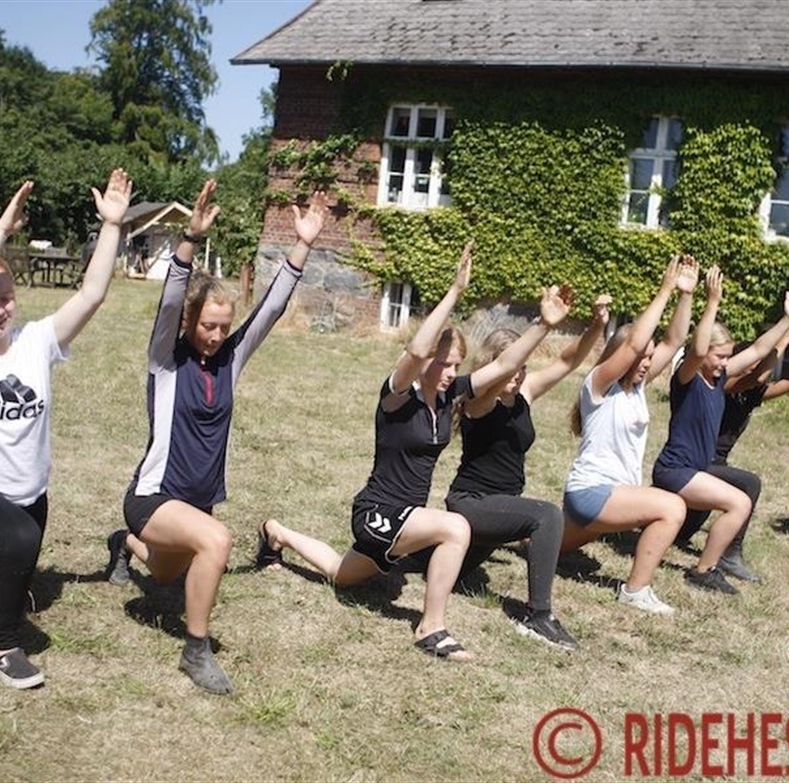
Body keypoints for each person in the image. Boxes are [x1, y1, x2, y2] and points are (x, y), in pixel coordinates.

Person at [257, 242, 571, 661]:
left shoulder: (450, 397)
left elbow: (501, 366)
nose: (451, 373)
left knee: (340, 574)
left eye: (457, 365)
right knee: (456, 527)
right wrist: (454, 293)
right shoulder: (398, 397)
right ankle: (431, 628)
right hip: (377, 512)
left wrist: (543, 325)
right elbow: (417, 350)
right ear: (425, 364)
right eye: (444, 363)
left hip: (406, 518)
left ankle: (276, 532)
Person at [105, 181, 328, 694]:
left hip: (196, 503)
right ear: (190, 322)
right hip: (153, 497)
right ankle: (195, 650)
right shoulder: (166, 358)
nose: (217, 335)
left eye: (224, 327)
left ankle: (123, 544)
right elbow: (169, 302)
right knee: (217, 541)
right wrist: (189, 238)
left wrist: (303, 243)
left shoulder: (231, 359)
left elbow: (269, 310)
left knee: (164, 576)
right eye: (208, 325)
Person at [0, 169, 132, 689]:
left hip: (28, 495)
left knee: (3, 568)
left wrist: (112, 225)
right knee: (18, 547)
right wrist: (3, 229)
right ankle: (5, 647)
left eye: (4, 297)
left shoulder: (38, 341)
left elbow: (92, 294)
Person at [443, 292, 612, 650]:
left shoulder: (525, 392)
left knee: (442, 570)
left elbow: (568, 360)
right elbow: (503, 370)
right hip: (472, 503)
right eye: (514, 366)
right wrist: (542, 325)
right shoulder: (479, 400)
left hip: (500, 508)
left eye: (523, 368)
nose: (519, 374)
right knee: (547, 515)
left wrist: (596, 327)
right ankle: (538, 616)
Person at [652, 269, 789, 595]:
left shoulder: (719, 379)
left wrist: (786, 319)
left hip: (697, 470)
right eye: (720, 356)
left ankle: (706, 563)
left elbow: (758, 352)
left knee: (729, 504)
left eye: (728, 357)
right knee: (738, 502)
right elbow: (698, 351)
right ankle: (704, 571)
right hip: (676, 468)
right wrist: (711, 303)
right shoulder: (687, 378)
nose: (725, 363)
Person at [559, 256, 698, 616]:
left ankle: (529, 541)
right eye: (641, 358)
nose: (647, 362)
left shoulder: (637, 389)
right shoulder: (599, 385)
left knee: (549, 541)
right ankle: (635, 591)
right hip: (592, 491)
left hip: (609, 496)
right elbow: (636, 344)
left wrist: (685, 294)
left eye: (650, 358)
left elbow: (675, 340)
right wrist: (664, 290)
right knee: (673, 508)